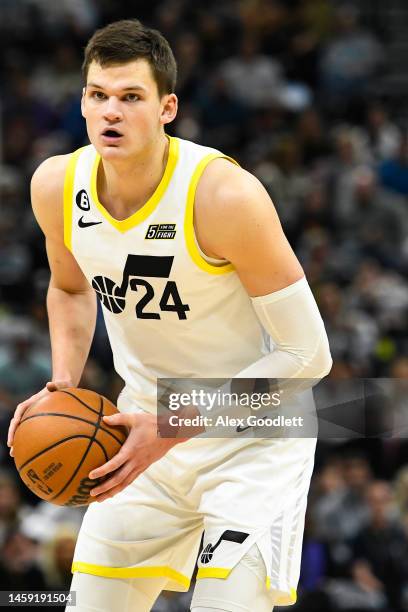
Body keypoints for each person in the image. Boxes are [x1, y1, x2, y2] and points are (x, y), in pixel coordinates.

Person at [7, 19, 332, 612]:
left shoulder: (223, 196)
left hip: (252, 438)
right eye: (99, 95)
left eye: (131, 97)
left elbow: (309, 355)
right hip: (141, 432)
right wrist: (63, 384)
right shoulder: (57, 185)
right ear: (82, 101)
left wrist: (173, 421)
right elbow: (70, 289)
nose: (112, 112)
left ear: (167, 108)